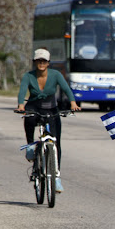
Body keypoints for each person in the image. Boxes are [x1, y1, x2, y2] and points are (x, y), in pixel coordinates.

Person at [16, 48, 80, 193]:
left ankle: (56, 178)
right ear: (34, 62)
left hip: (51, 109)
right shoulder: (28, 76)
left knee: (56, 143)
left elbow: (66, 89)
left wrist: (73, 103)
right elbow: (22, 91)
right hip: (34, 108)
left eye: (44, 61)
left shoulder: (55, 75)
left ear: (48, 63)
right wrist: (21, 105)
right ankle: (31, 148)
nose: (41, 63)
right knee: (29, 120)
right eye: (39, 61)